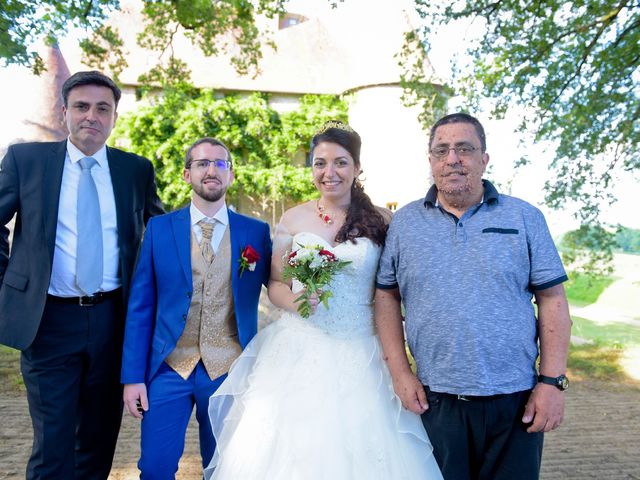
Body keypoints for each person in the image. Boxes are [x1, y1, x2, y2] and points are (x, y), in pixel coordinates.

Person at [204, 120, 443, 479]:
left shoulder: (383, 220)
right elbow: (277, 283)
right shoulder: (293, 218)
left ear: (357, 167)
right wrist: (299, 299)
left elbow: (393, 291)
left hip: (365, 350)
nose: (329, 172)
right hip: (301, 348)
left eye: (340, 162)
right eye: (320, 163)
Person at [375, 112, 572, 480]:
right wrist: (401, 373)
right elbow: (386, 297)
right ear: (431, 160)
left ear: (484, 159)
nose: (453, 159)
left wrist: (551, 382)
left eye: (465, 149)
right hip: (435, 401)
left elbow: (553, 300)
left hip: (517, 402)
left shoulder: (525, 217)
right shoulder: (405, 223)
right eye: (442, 150)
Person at [0, 70, 164, 479]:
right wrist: (8, 284)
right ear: (65, 112)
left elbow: (161, 235)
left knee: (97, 440)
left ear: (113, 117)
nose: (92, 116)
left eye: (102, 108)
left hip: (113, 321)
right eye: (82, 107)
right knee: (53, 444)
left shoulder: (135, 170)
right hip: (48, 320)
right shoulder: (27, 161)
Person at [121, 137, 272, 478]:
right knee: (155, 467)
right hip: (168, 368)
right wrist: (132, 377)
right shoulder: (159, 229)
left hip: (228, 369)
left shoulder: (256, 232)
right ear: (187, 175)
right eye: (202, 163)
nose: (212, 170)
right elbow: (141, 307)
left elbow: (277, 287)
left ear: (231, 175)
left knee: (223, 468)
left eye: (221, 163)